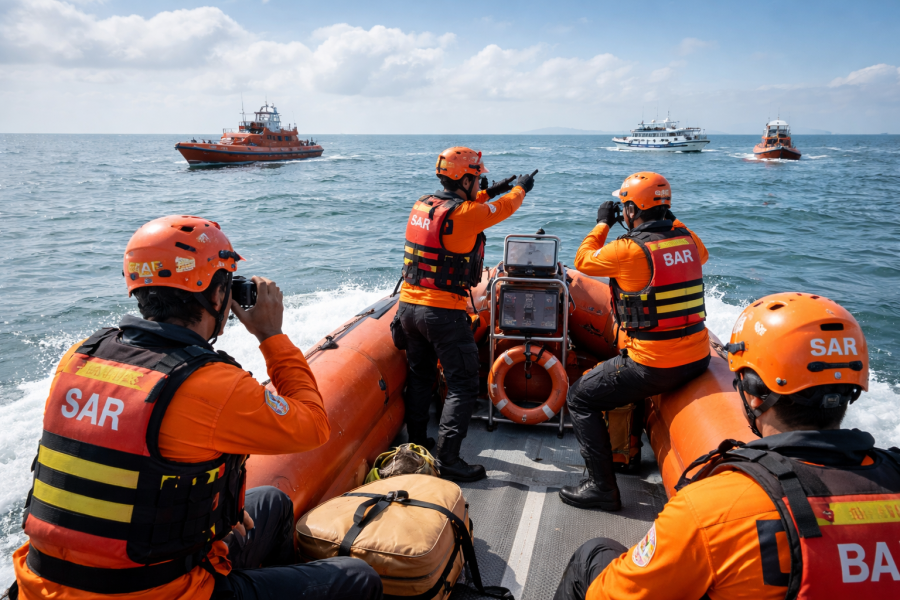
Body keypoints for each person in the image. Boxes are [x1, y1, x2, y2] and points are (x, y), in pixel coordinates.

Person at [10, 216, 381, 600]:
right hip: (157, 593)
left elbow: (130, 466)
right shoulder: (210, 384)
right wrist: (271, 334)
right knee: (358, 578)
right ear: (218, 295)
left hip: (45, 585)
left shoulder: (80, 357)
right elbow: (314, 426)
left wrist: (213, 515)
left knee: (272, 502)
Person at [555, 292, 900, 600]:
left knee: (593, 556)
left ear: (752, 393)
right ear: (853, 387)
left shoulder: (712, 507)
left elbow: (614, 595)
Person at [561, 172, 711, 510]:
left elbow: (582, 260)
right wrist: (666, 214)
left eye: (626, 208)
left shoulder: (628, 250)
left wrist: (602, 223)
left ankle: (602, 488)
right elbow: (696, 254)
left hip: (654, 364)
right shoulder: (689, 240)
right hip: (698, 357)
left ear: (630, 210)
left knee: (580, 397)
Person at [397, 147, 536, 482]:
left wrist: (494, 188)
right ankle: (449, 460)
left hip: (408, 308)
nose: (479, 183)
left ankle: (417, 442)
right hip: (442, 313)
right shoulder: (466, 214)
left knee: (420, 376)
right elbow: (504, 208)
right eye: (476, 178)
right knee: (462, 383)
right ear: (465, 180)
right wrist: (520, 188)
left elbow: (466, 208)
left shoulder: (424, 205)